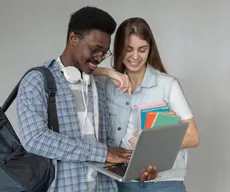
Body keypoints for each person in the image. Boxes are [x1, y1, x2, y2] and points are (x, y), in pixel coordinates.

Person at [16, 8, 156, 192]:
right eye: (95, 49)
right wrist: (102, 153)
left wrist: (134, 167)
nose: (99, 58)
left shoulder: (96, 85)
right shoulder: (36, 81)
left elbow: (107, 143)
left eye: (104, 53)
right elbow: (35, 139)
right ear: (73, 39)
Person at [94, 17, 200, 192]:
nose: (135, 57)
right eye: (128, 50)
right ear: (119, 49)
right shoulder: (106, 83)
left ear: (150, 49)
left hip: (165, 182)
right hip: (120, 182)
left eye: (142, 50)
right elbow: (74, 68)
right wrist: (107, 72)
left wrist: (149, 144)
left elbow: (193, 138)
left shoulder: (167, 84)